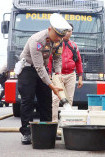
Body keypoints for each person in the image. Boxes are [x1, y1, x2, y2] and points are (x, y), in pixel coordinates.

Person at [17, 13, 72, 145]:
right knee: (27, 100)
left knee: (46, 101)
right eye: (57, 35)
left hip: (42, 70)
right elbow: (39, 66)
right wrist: (51, 85)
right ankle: (26, 133)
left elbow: (57, 59)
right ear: (50, 29)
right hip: (28, 70)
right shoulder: (38, 40)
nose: (58, 39)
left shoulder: (59, 41)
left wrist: (58, 74)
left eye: (61, 36)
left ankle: (48, 131)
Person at [48, 23, 83, 122]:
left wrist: (80, 77)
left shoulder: (74, 46)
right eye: (66, 31)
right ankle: (54, 123)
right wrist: (50, 75)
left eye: (70, 31)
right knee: (55, 99)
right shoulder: (56, 44)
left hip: (71, 75)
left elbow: (78, 62)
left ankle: (66, 123)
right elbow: (50, 60)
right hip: (58, 75)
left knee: (69, 99)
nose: (68, 33)